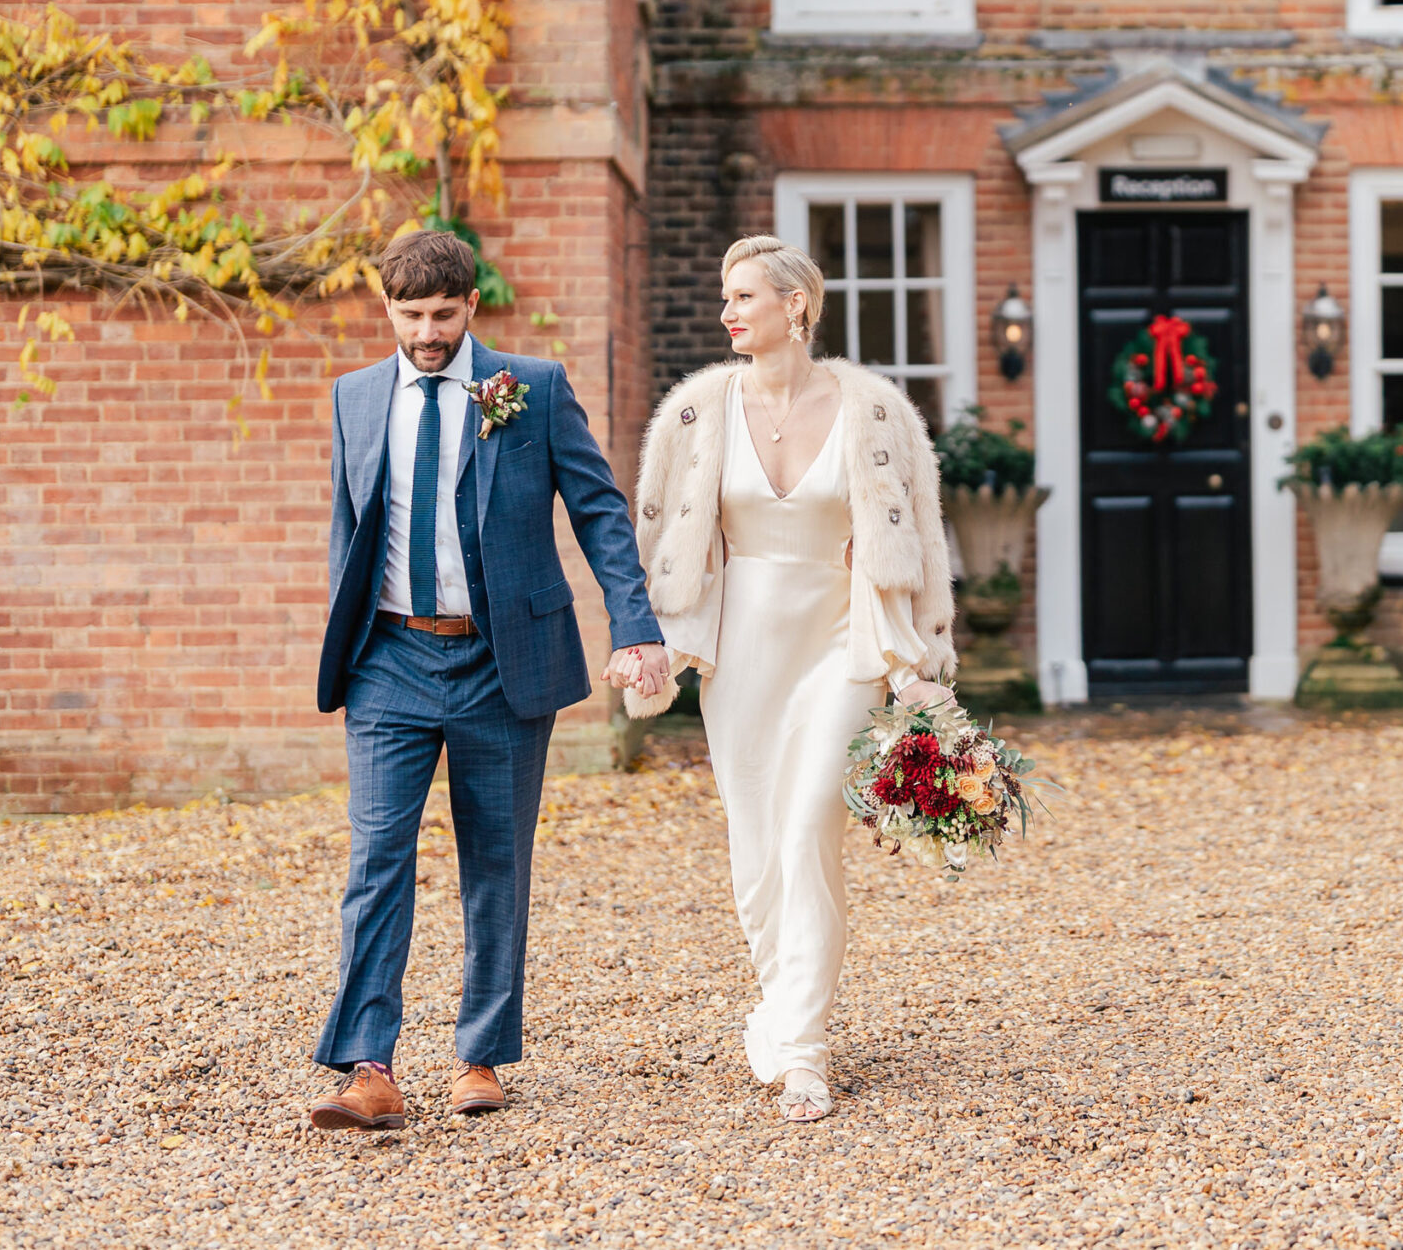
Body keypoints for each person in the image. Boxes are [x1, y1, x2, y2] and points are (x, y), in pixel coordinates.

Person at [305, 230, 671, 1130]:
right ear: (385, 307)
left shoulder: (530, 389)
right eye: (409, 314)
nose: (427, 332)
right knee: (376, 862)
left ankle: (479, 1056)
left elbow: (597, 508)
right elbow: (350, 529)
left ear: (472, 305)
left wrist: (634, 624)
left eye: (442, 313)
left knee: (496, 863)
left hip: (498, 660)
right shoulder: (356, 397)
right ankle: (369, 1068)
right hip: (387, 658)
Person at [629, 235, 957, 1121]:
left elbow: (916, 538)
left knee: (811, 818)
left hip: (840, 638)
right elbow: (662, 537)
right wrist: (652, 637)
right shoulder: (698, 410)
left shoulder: (872, 409)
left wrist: (920, 661)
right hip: (741, 648)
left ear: (796, 306)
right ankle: (779, 1005)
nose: (728, 312)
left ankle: (803, 1049)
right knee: (754, 845)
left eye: (744, 296)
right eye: (726, 296)